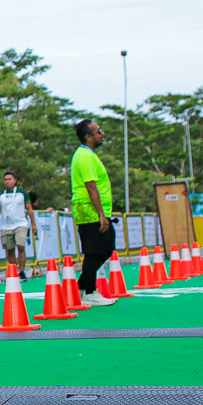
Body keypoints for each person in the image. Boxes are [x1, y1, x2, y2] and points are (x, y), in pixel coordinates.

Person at [69, 120, 117, 307]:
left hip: (96, 211)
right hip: (90, 211)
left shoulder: (89, 155)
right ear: (88, 137)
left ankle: (82, 285)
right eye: (99, 131)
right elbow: (91, 187)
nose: (102, 134)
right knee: (93, 252)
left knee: (107, 249)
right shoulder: (85, 157)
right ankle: (89, 292)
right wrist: (100, 215)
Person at [0, 171, 40, 279]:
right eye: (5, 180)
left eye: (10, 179)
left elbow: (29, 208)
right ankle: (14, 271)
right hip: (6, 225)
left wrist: (33, 224)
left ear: (15, 180)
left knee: (20, 246)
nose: (7, 182)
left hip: (21, 223)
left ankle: (22, 271)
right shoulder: (1, 195)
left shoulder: (22, 193)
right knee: (10, 249)